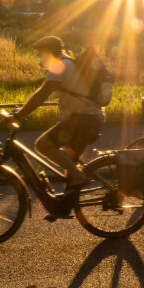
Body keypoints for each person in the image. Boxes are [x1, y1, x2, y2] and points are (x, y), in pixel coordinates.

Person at [12, 35, 104, 193]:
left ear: (49, 52)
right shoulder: (69, 62)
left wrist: (18, 115)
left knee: (43, 145)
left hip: (82, 120)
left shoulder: (60, 66)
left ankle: (79, 177)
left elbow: (42, 94)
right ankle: (66, 204)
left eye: (40, 53)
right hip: (91, 118)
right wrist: (20, 111)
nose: (39, 57)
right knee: (70, 170)